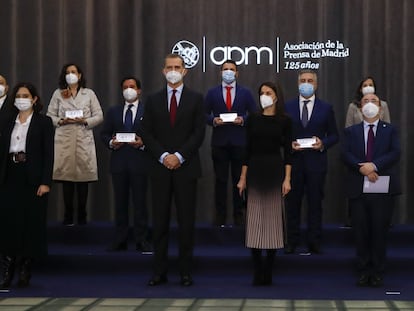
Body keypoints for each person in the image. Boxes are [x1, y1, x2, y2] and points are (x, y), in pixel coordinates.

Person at [142, 54, 205, 287]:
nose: (173, 70)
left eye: (177, 67)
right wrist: (163, 156)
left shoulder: (196, 99)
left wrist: (178, 156)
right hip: (159, 169)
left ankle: (185, 272)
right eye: (169, 67)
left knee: (186, 224)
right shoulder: (153, 100)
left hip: (186, 168)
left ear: (185, 71)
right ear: (163, 71)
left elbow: (198, 133)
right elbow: (146, 132)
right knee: (159, 223)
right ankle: (159, 272)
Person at [341, 93, 400, 287]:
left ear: (381, 108)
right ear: (360, 108)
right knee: (361, 232)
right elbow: (345, 153)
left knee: (379, 231)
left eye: (373, 101)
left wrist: (373, 166)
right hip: (358, 188)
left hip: (382, 189)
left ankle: (377, 271)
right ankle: (363, 270)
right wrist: (362, 168)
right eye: (365, 101)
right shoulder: (352, 131)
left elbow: (395, 152)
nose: (369, 104)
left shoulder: (390, 130)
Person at [237, 81, 292, 286]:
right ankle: (257, 268)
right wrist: (242, 178)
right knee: (254, 223)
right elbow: (246, 150)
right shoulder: (252, 119)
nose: (265, 96)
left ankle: (268, 269)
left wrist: (287, 179)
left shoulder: (285, 121)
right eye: (261, 93)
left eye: (268, 92)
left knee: (272, 223)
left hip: (275, 171)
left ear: (277, 96)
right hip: (255, 170)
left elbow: (288, 153)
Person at [0, 82, 54, 288]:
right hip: (9, 176)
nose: (21, 98)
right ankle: (7, 270)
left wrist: (45, 182)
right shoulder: (6, 122)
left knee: (30, 224)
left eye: (25, 95)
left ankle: (25, 269)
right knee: (8, 224)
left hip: (32, 178)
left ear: (34, 99)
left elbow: (49, 154)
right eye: (18, 95)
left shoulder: (44, 122)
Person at [284, 69, 339, 254]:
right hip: (294, 163)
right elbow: (281, 134)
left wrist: (323, 143)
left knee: (315, 203)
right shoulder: (287, 107)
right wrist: (288, 144)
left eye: (309, 80)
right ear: (298, 83)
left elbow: (334, 135)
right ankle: (292, 240)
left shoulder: (326, 107)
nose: (306, 83)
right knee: (293, 204)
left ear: (315, 84)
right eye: (303, 80)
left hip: (316, 163)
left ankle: (314, 240)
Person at [47, 63, 103, 225]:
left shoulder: (89, 94)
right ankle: (68, 215)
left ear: (79, 75)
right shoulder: (58, 94)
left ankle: (82, 215)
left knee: (83, 178)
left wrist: (85, 120)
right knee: (67, 179)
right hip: (64, 138)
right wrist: (61, 120)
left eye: (73, 72)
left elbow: (99, 115)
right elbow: (50, 115)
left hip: (83, 138)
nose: (70, 75)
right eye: (67, 72)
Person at [101, 77, 151, 253]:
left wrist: (143, 143)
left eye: (132, 87)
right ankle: (120, 239)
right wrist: (111, 143)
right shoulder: (114, 111)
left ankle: (141, 239)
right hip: (119, 163)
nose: (128, 90)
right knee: (120, 204)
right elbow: (104, 134)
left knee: (140, 204)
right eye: (125, 87)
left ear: (139, 90)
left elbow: (155, 135)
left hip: (140, 163)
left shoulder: (148, 110)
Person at [205, 59, 257, 227]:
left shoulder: (245, 93)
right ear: (221, 73)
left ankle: (239, 214)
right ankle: (220, 216)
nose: (228, 72)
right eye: (225, 69)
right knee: (220, 180)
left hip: (240, 142)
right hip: (219, 143)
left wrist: (243, 119)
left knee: (239, 180)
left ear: (237, 73)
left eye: (232, 69)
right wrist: (213, 120)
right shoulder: (212, 93)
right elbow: (203, 114)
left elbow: (255, 113)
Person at [344, 77, 391, 227]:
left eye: (371, 85)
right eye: (365, 85)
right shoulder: (353, 106)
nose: (368, 87)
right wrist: (363, 166)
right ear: (360, 88)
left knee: (378, 207)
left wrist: (374, 165)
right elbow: (347, 129)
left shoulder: (383, 105)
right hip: (358, 156)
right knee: (357, 197)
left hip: (378, 156)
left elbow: (388, 129)